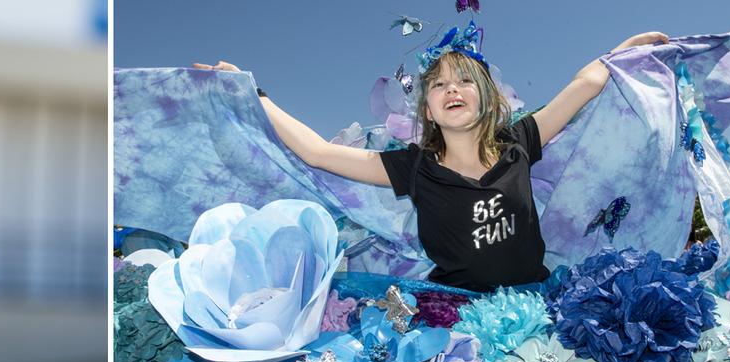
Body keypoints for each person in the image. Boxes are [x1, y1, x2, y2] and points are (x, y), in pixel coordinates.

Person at [192, 28, 668, 292]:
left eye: (463, 81)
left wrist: (623, 55)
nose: (451, 90)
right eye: (438, 85)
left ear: (488, 97)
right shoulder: (412, 166)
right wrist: (252, 93)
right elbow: (317, 152)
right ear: (427, 108)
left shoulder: (522, 139)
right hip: (456, 303)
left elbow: (583, 86)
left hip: (536, 296)